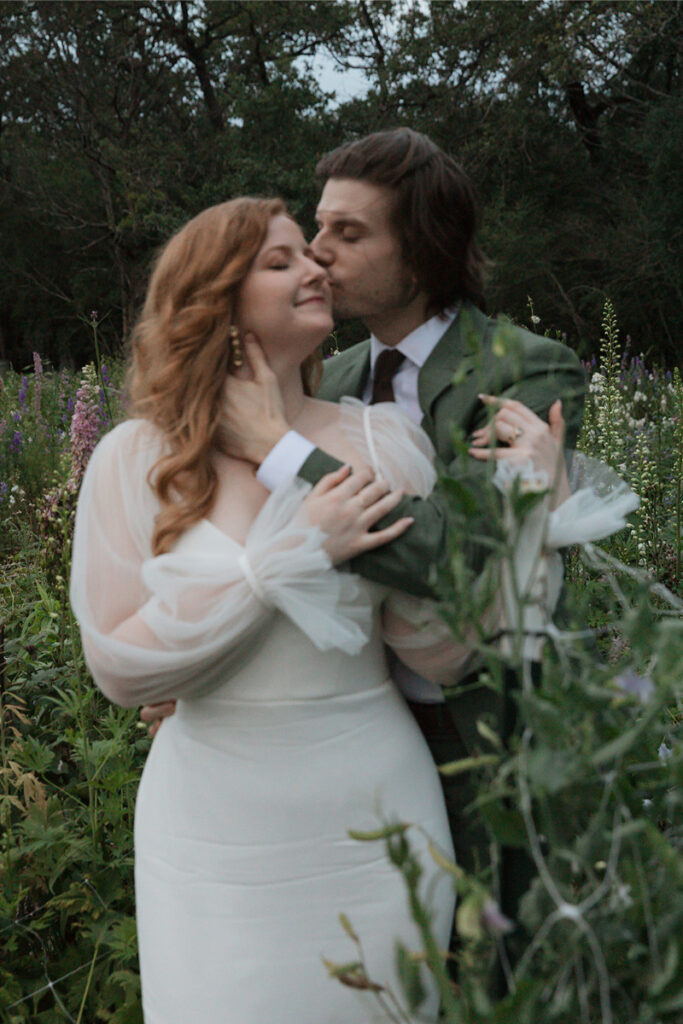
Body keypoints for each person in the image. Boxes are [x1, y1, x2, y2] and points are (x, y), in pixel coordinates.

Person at [142, 129, 587, 930]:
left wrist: (281, 451)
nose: (317, 255)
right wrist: (211, 672)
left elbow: (457, 561)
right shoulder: (331, 376)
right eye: (317, 229)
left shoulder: (521, 368)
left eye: (349, 234)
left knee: (500, 970)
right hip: (347, 741)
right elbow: (268, 554)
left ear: (419, 251)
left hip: (491, 737)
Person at [71, 197, 476, 1023]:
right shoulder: (134, 459)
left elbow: (444, 653)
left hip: (375, 810)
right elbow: (119, 667)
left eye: (312, 256)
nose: (316, 269)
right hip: (212, 833)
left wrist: (455, 547)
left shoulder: (383, 442)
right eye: (281, 260)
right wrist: (293, 555)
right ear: (215, 299)